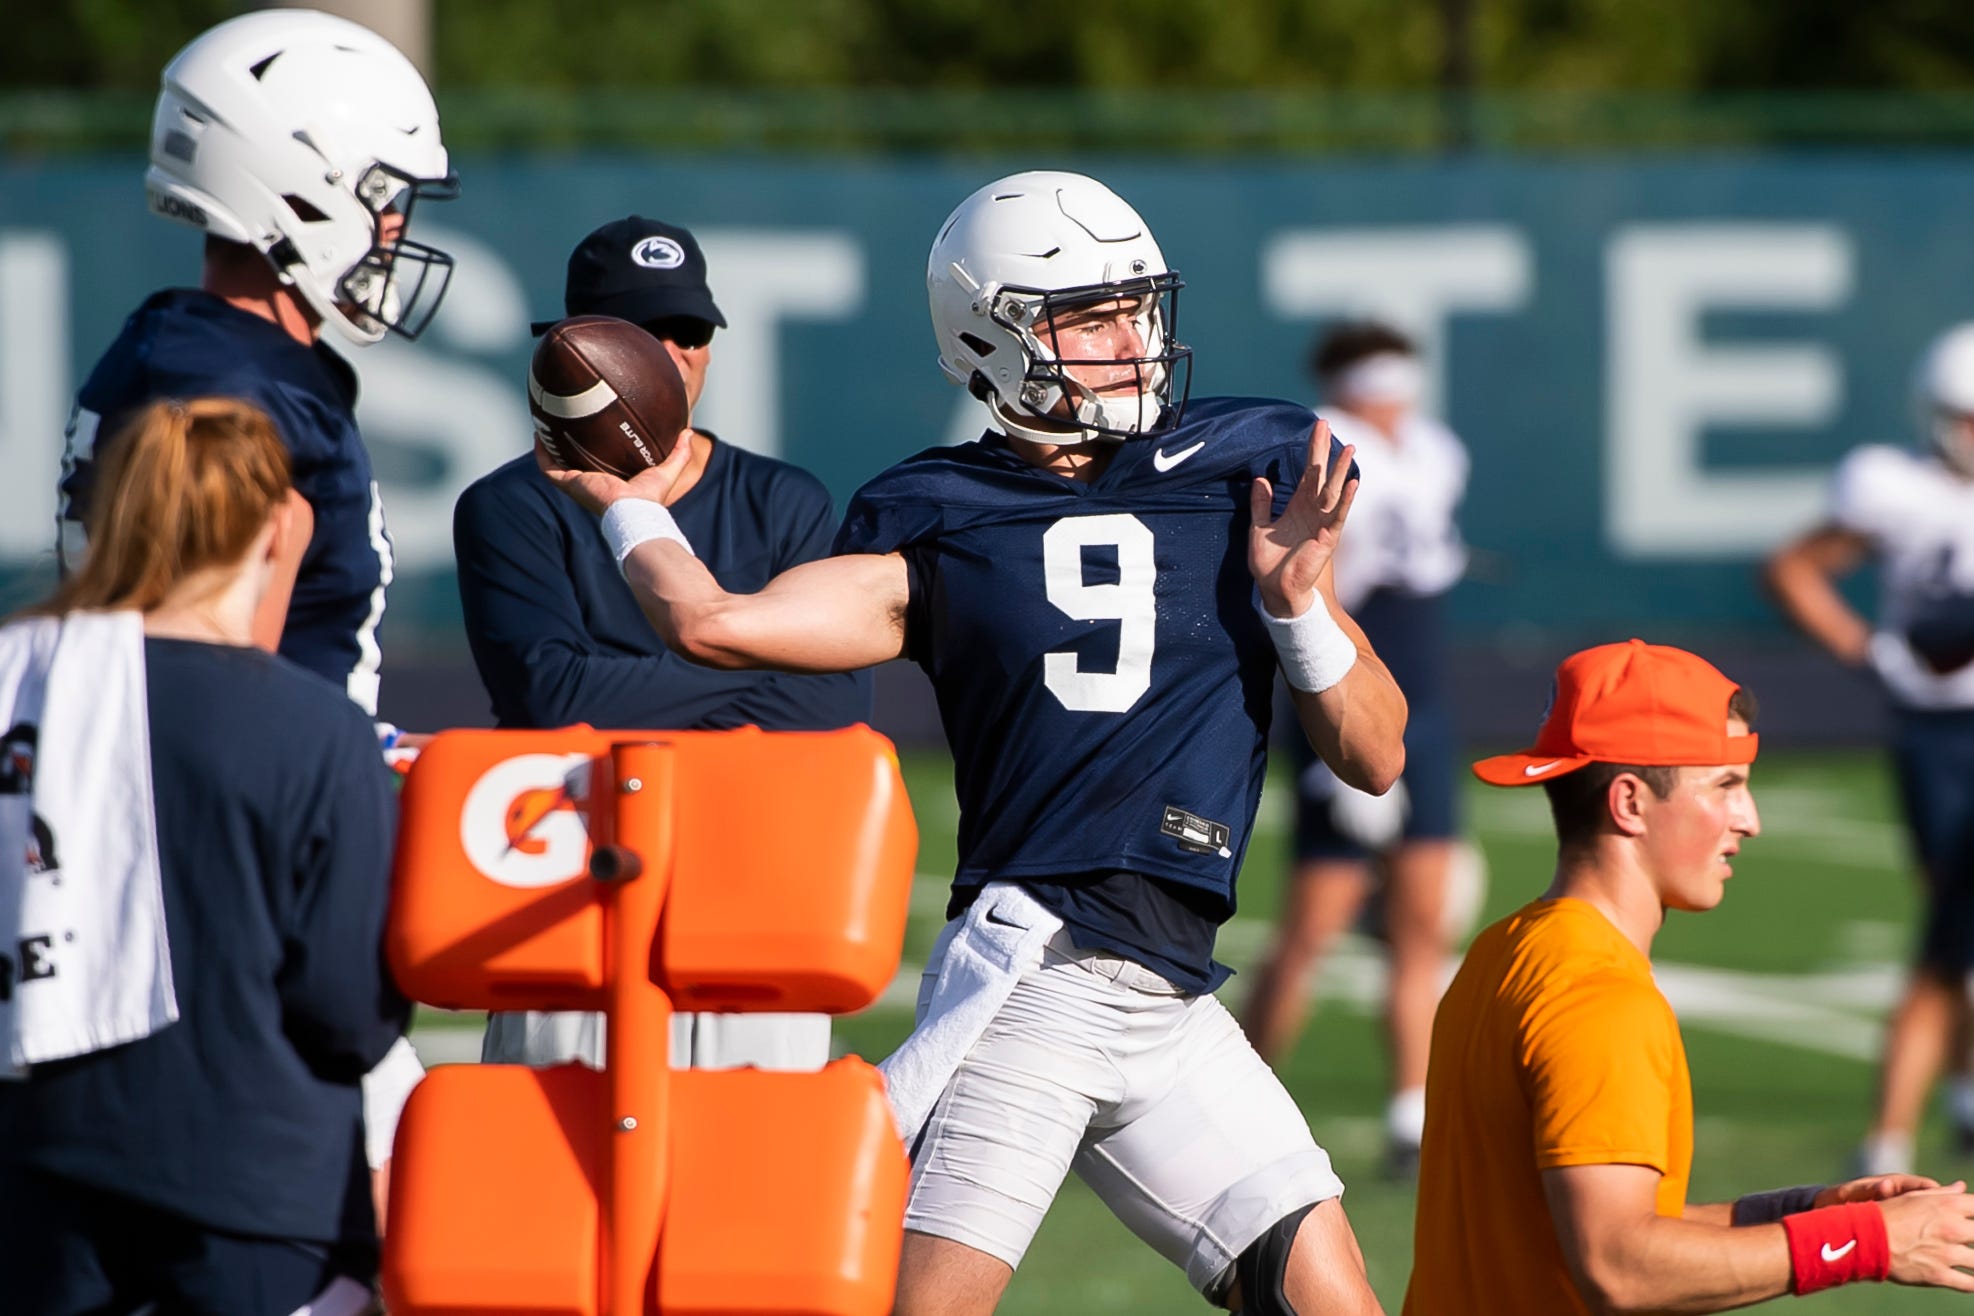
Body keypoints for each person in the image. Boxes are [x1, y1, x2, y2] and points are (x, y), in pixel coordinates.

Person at [540, 170, 1407, 1315]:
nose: (1132, 340)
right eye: (1090, 316)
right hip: (1039, 975)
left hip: (1170, 996)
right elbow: (710, 620)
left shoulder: (1244, 470)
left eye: (1137, 306)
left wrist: (1298, 605)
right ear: (993, 337)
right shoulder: (939, 515)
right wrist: (627, 503)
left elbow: (1378, 754)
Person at [51, 5, 456, 1227]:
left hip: (220, 838)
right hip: (236, 878)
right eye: (383, 194)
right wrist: (353, 756)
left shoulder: (194, 353)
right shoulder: (225, 388)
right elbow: (203, 659)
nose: (397, 228)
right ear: (301, 187)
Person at [1403, 638, 1974, 1314]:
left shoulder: (1504, 950)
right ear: (1630, 803)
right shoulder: (1602, 1000)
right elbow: (1621, 1267)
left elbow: (1613, 1219)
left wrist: (1819, 1211)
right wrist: (1869, 1243)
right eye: (1726, 786)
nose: (1750, 821)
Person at [0, 398, 404, 1316]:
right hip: (257, 1191)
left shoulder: (21, 674)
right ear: (273, 531)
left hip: (39, 1174)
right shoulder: (316, 733)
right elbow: (349, 1012)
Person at [459, 215, 870, 1071]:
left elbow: (833, 702)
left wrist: (634, 688)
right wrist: (741, 658)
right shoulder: (509, 507)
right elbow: (549, 698)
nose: (674, 351)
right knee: (549, 1182)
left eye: (691, 332)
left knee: (747, 1182)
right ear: (575, 350)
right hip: (565, 893)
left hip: (753, 887)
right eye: (643, 332)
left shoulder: (784, 500)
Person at [1239, 321, 1471, 1177]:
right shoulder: (1324, 444)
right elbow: (1310, 596)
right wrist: (1321, 731)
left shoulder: (1436, 450)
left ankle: (1412, 1116)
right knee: (1314, 922)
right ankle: (1239, 1094)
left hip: (1424, 696)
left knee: (1422, 922)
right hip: (1339, 686)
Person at [1766, 323, 1974, 1179]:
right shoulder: (1895, 486)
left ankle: (1957, 1099)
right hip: (1935, 724)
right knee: (1949, 925)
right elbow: (1794, 567)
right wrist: (1869, 650)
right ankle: (1898, 1128)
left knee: (1956, 931)